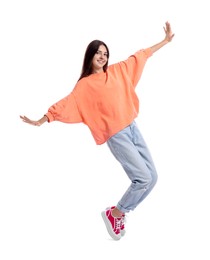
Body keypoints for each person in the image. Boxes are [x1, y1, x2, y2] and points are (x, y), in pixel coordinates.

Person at [20, 21, 174, 240]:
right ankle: (117, 212)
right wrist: (42, 120)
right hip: (117, 136)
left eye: (105, 53)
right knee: (142, 177)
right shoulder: (84, 86)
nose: (102, 56)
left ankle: (119, 213)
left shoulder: (117, 71)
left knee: (153, 177)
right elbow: (66, 104)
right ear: (90, 56)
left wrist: (165, 41)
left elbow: (141, 55)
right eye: (98, 53)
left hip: (133, 128)